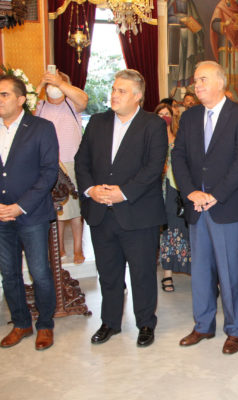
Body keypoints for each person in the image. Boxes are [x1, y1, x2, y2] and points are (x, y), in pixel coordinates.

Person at [75, 69, 168, 348]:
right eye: (114, 89)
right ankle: (110, 322)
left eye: (122, 91)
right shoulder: (97, 122)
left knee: (142, 274)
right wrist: (91, 190)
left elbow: (153, 167)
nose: (114, 95)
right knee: (108, 273)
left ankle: (145, 323)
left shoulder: (153, 124)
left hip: (138, 213)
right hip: (101, 212)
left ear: (138, 96)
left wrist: (123, 193)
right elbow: (81, 161)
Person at [172, 61, 238, 355]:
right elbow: (178, 156)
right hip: (197, 207)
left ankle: (235, 330)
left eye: (203, 79)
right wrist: (190, 191)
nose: (197, 85)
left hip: (227, 207)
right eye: (196, 80)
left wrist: (215, 195)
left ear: (221, 82)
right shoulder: (190, 117)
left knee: (230, 274)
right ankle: (203, 325)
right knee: (200, 272)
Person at [0, 75, 59, 350]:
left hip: (31, 215)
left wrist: (20, 206)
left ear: (21, 99)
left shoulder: (42, 128)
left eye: (4, 94)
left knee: (39, 272)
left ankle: (45, 324)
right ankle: (21, 323)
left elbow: (49, 172)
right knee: (9, 273)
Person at [35, 69, 88, 265]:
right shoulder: (40, 106)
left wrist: (61, 82)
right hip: (47, 164)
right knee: (55, 210)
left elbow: (84, 99)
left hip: (71, 162)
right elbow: (24, 106)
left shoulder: (71, 105)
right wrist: (41, 83)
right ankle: (59, 248)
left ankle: (78, 248)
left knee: (75, 210)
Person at [155, 103, 191, 292]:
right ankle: (167, 274)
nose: (163, 118)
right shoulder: (152, 140)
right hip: (160, 191)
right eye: (160, 114)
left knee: (185, 230)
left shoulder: (179, 138)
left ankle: (191, 267)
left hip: (178, 190)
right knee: (168, 231)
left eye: (166, 114)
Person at [210, 0, 238, 98]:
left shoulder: (236, 6)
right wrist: (224, 24)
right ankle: (225, 86)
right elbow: (214, 24)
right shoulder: (220, 7)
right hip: (225, 38)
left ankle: (235, 86)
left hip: (236, 37)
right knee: (225, 61)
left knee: (235, 61)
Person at [167, 0, 205, 90]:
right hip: (176, 33)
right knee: (178, 59)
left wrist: (194, 23)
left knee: (188, 59)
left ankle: (187, 84)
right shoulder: (172, 2)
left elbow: (196, 18)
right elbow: (167, 17)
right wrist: (179, 19)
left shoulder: (189, 2)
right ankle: (176, 84)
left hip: (189, 34)